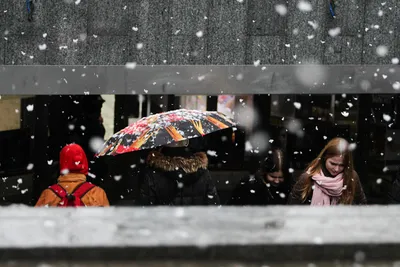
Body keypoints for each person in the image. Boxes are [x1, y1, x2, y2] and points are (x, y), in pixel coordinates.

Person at [138, 139, 220, 206]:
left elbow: (145, 208)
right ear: (187, 142)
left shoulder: (153, 174)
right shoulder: (203, 172)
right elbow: (213, 206)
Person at [288, 137, 367, 205]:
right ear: (325, 158)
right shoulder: (308, 178)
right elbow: (292, 208)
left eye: (342, 165)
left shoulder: (351, 177)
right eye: (333, 164)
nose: (337, 169)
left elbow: (362, 206)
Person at [35, 144, 109, 207]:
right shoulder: (97, 193)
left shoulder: (48, 194)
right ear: (84, 163)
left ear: (61, 163)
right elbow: (107, 222)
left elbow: (36, 222)